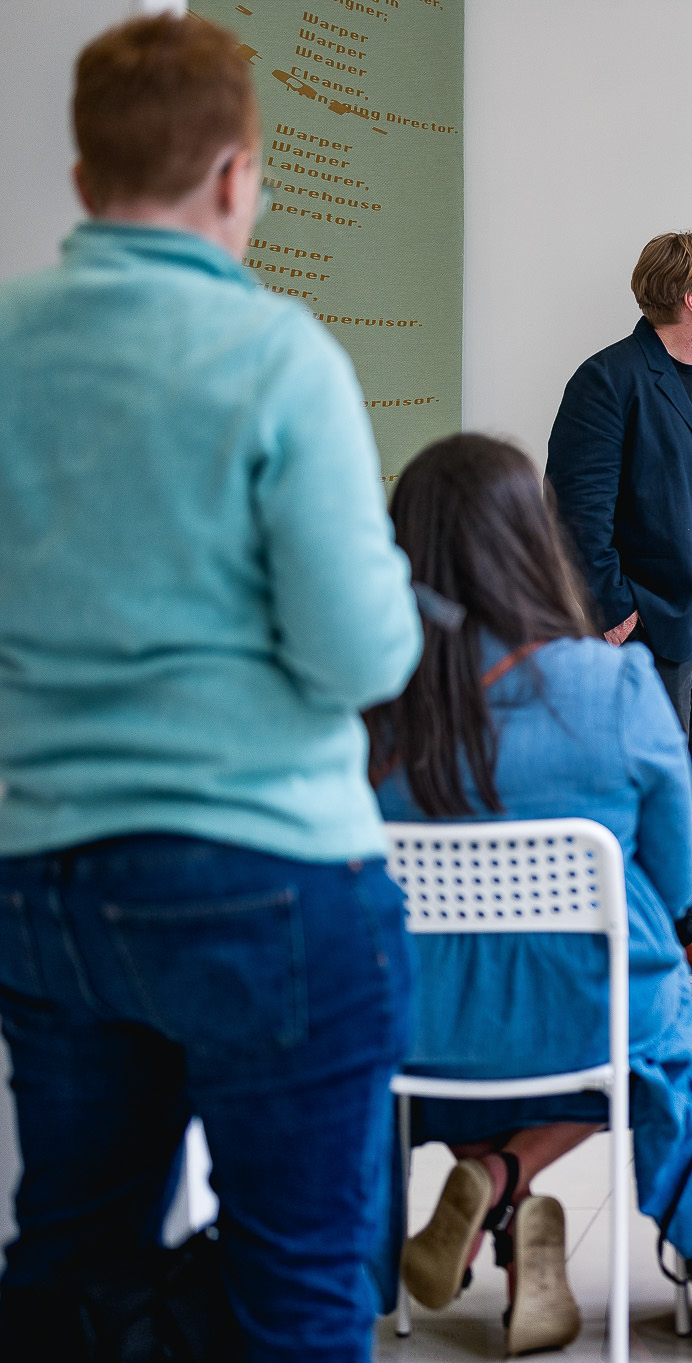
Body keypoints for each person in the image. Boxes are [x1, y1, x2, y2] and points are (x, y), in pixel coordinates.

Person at [0, 16, 421, 1360]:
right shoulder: (276, 355)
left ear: (81, 178)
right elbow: (363, 657)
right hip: (267, 873)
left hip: (45, 874)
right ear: (239, 177)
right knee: (298, 1287)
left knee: (72, 1274)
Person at [369, 435, 692, 1355]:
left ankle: (495, 1194)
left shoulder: (367, 701)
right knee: (657, 1039)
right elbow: (680, 881)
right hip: (587, 1022)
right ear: (534, 538)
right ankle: (507, 1173)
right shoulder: (614, 685)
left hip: (416, 1030)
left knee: (457, 1020)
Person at [546, 231, 692, 978]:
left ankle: (681, 927)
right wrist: (613, 608)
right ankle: (640, 935)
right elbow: (574, 509)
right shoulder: (608, 380)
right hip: (650, 618)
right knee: (651, 781)